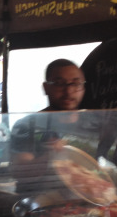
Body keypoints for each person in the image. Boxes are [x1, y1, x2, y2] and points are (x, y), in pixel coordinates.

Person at [9, 58, 87, 193]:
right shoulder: (27, 125)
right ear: (45, 88)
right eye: (59, 83)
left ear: (83, 88)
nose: (68, 91)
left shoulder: (93, 124)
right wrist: (51, 156)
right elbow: (20, 172)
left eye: (76, 84)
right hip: (40, 207)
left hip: (90, 205)